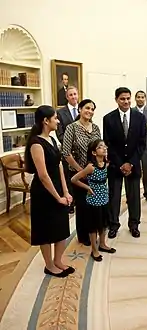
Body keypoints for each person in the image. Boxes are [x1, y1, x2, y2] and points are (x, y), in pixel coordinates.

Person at [24, 105, 74, 278]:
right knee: (45, 231)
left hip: (58, 189)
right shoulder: (36, 144)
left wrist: (65, 192)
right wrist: (57, 197)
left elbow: (59, 165)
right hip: (44, 193)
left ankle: (58, 260)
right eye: (55, 118)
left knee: (61, 227)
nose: (58, 121)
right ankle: (49, 265)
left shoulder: (52, 140)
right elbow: (43, 175)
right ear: (46, 121)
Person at [103, 87, 146, 239]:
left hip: (133, 164)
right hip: (116, 165)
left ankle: (134, 225)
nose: (126, 101)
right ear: (116, 100)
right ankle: (113, 225)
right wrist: (121, 163)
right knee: (114, 196)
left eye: (128, 98)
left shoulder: (140, 118)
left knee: (134, 197)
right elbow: (108, 143)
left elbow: (142, 144)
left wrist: (131, 163)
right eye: (122, 99)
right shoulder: (108, 118)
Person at [63, 99, 101, 246]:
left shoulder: (96, 128)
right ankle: (83, 236)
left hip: (95, 172)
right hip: (79, 175)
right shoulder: (71, 128)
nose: (90, 111)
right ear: (79, 109)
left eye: (92, 109)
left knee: (94, 205)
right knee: (83, 207)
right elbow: (66, 153)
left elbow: (100, 148)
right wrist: (81, 170)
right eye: (87, 108)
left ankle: (94, 232)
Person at [71, 139, 116, 261]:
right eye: (100, 147)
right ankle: (94, 250)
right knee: (93, 226)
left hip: (104, 199)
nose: (105, 148)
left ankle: (102, 244)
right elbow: (74, 179)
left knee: (104, 224)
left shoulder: (106, 164)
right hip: (93, 201)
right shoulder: (90, 167)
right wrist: (87, 188)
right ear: (94, 153)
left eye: (104, 146)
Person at [56, 86, 79, 213]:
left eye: (75, 94)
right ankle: (70, 203)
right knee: (68, 178)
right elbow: (60, 135)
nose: (73, 97)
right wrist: (73, 144)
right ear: (67, 97)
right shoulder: (60, 113)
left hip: (81, 153)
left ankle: (79, 201)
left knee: (80, 177)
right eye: (71, 95)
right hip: (68, 152)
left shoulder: (82, 110)